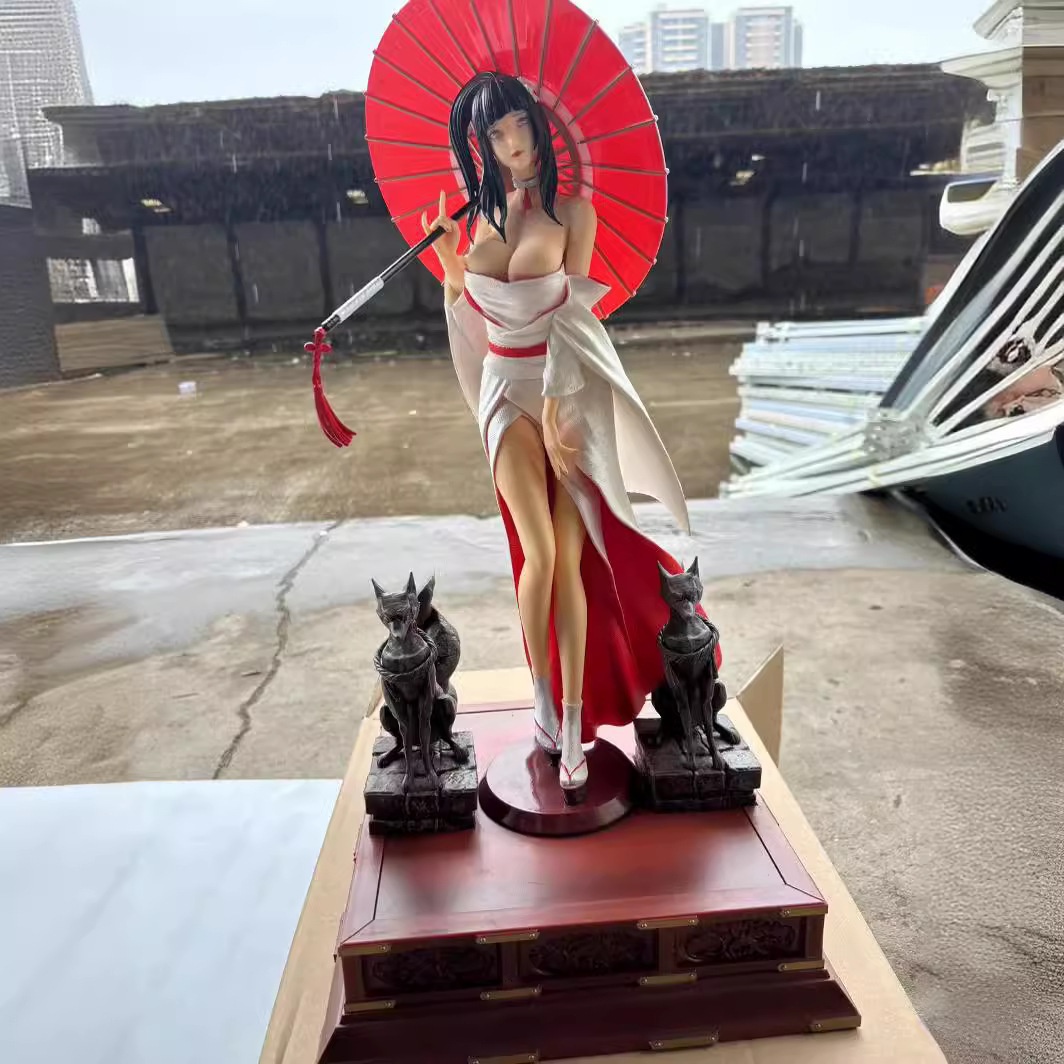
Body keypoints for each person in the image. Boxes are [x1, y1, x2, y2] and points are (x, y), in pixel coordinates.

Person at [423, 71, 719, 802]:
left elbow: (575, 320)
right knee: (541, 552)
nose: (511, 143)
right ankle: (544, 702)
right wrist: (451, 261)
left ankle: (577, 714)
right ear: (481, 146)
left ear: (539, 125)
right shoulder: (478, 219)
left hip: (563, 392)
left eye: (518, 124)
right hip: (502, 389)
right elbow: (470, 311)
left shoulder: (574, 214)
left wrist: (559, 410)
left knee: (574, 558)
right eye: (494, 134)